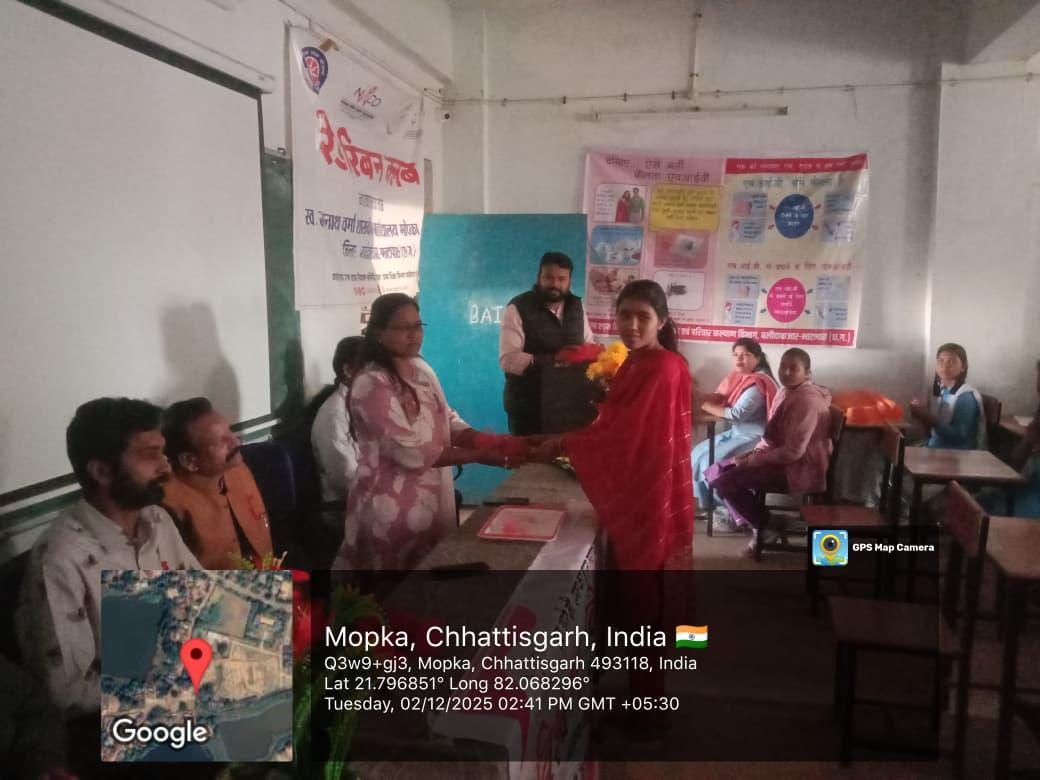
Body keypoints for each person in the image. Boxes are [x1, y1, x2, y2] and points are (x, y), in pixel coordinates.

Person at [16, 398, 200, 718]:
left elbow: (203, 595)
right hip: (129, 717)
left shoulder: (156, 519)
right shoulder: (61, 558)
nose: (166, 466)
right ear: (101, 471)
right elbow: (66, 692)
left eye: (163, 452)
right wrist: (169, 689)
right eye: (150, 455)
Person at [335, 293, 523, 571]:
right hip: (388, 509)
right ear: (378, 333)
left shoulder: (420, 369)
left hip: (430, 502)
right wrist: (479, 454)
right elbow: (409, 452)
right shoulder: (371, 382)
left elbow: (446, 416)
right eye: (403, 328)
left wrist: (482, 439)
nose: (414, 335)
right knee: (390, 590)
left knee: (430, 583)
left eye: (418, 326)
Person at [529, 280, 694, 571]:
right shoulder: (635, 362)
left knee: (643, 575)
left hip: (650, 486)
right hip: (637, 480)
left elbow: (623, 435)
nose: (632, 325)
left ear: (661, 322)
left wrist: (563, 444)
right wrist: (563, 440)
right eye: (625, 315)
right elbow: (614, 423)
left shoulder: (664, 367)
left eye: (643, 317)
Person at [707, 348, 832, 554]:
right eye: (783, 367)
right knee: (718, 470)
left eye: (794, 368)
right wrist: (751, 455)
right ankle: (767, 523)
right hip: (782, 461)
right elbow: (770, 437)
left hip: (798, 468)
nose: (786, 373)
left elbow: (793, 452)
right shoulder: (786, 392)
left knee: (725, 482)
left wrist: (753, 461)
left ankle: (766, 525)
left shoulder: (806, 401)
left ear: (807, 373)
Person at [160, 398, 273, 569]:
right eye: (221, 441)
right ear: (190, 461)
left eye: (230, 432)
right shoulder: (167, 507)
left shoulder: (237, 469)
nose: (236, 442)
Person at [500, 251, 596, 435]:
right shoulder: (518, 307)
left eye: (561, 279)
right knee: (529, 454)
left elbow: (588, 344)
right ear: (539, 277)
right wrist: (554, 360)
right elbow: (508, 360)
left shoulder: (577, 306)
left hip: (571, 406)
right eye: (549, 277)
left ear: (569, 282)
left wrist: (594, 356)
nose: (555, 284)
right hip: (529, 407)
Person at [693, 338, 777, 529]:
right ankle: (715, 508)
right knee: (696, 455)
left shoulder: (758, 383)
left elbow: (736, 414)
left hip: (755, 437)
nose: (739, 359)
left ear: (758, 358)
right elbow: (722, 401)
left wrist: (701, 403)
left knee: (710, 464)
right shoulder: (740, 378)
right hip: (737, 432)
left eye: (745, 355)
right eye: (735, 355)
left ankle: (736, 513)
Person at [310, 336, 365, 505]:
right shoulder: (334, 415)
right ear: (348, 370)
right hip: (346, 506)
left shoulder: (365, 403)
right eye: (370, 369)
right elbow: (347, 480)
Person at [909, 342, 985, 450]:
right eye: (941, 361)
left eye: (951, 362)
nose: (945, 366)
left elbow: (959, 436)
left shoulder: (966, 397)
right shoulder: (941, 391)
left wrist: (926, 416)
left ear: (963, 367)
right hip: (937, 447)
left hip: (958, 454)